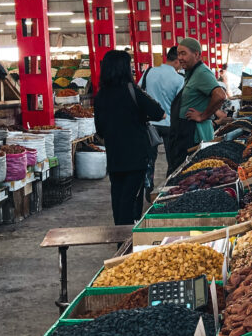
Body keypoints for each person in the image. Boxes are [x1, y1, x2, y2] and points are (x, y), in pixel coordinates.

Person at [93, 50, 164, 225]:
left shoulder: (101, 95)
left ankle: (120, 238)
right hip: (136, 156)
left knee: (118, 198)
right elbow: (160, 114)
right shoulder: (132, 90)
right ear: (124, 69)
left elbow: (100, 130)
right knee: (130, 198)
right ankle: (127, 242)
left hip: (115, 156)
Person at [168, 38, 227, 170]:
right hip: (183, 131)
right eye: (178, 54)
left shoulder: (202, 73)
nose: (180, 58)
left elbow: (220, 95)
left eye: (184, 53)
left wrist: (203, 116)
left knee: (188, 171)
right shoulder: (191, 73)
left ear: (196, 54)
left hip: (192, 132)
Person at [139, 46, 184, 199]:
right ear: (177, 60)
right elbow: (181, 105)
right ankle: (168, 189)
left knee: (149, 159)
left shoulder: (149, 72)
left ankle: (148, 187)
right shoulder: (179, 79)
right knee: (172, 160)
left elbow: (139, 93)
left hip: (150, 125)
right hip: (170, 125)